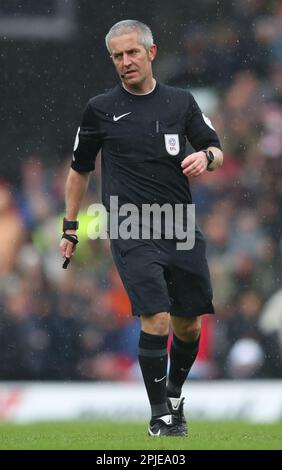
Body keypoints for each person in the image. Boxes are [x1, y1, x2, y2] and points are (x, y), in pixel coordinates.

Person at [60, 19, 223, 437]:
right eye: (117, 56)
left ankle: (172, 395)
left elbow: (215, 148)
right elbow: (78, 171)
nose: (125, 62)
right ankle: (160, 417)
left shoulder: (181, 102)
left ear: (150, 53)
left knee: (189, 324)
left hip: (180, 226)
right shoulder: (99, 109)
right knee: (156, 316)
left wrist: (206, 157)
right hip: (131, 227)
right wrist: (70, 227)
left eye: (132, 52)